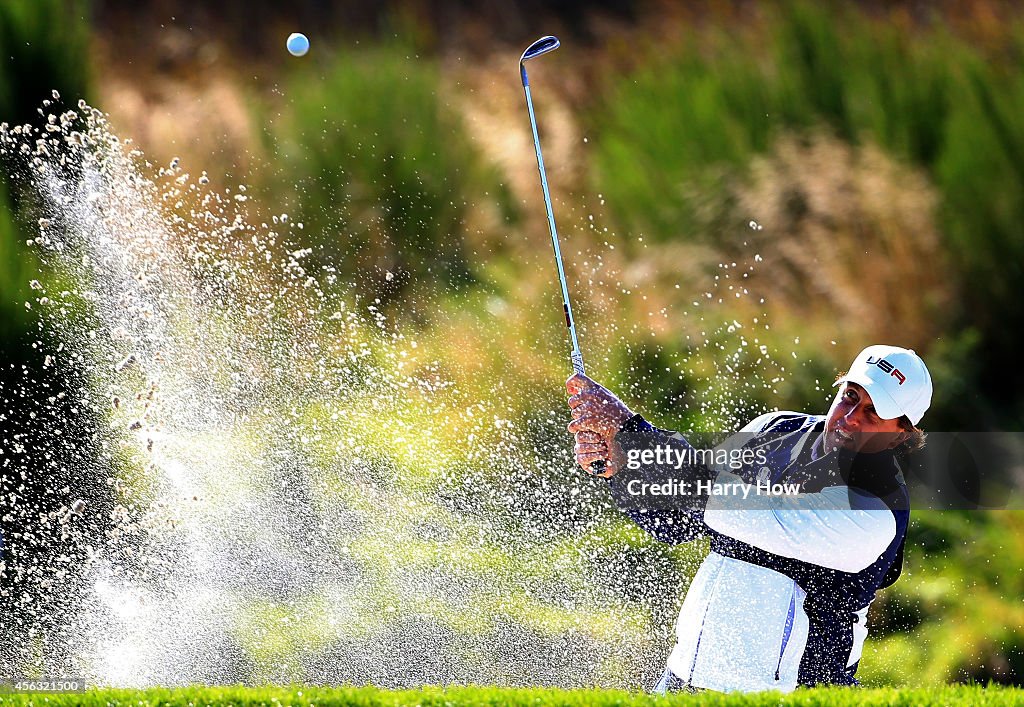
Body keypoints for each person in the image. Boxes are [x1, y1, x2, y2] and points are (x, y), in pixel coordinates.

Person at [566, 344, 931, 693]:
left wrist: (631, 432)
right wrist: (619, 469)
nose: (850, 418)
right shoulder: (774, 429)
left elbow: (743, 509)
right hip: (686, 676)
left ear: (901, 431)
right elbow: (676, 522)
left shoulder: (876, 506)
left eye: (872, 412)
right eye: (851, 395)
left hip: (789, 694)